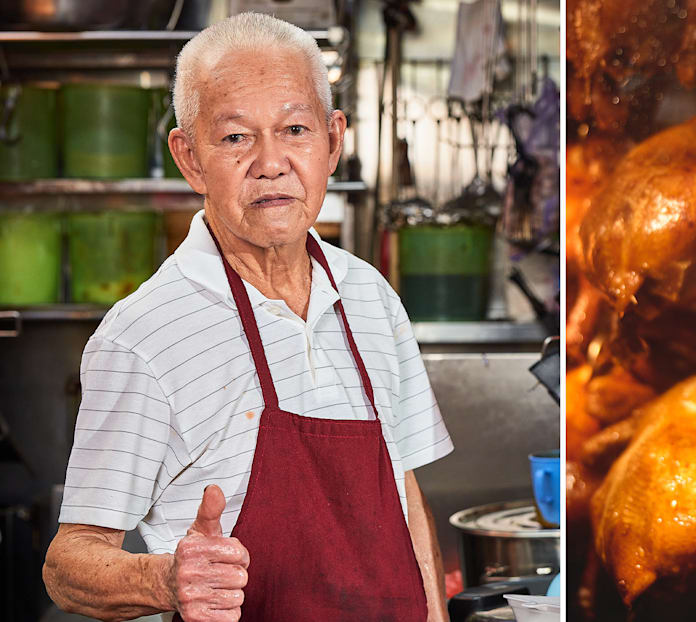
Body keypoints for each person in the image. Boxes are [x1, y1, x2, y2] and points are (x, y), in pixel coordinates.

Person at [42, 12, 453, 622]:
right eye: (236, 137)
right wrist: (166, 579)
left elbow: (406, 498)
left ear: (333, 141)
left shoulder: (371, 296)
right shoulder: (145, 335)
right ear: (189, 158)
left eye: (295, 129)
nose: (271, 162)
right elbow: (67, 565)